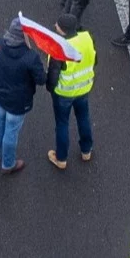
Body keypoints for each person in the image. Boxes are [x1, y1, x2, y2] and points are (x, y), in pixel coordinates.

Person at [0, 19, 47, 174]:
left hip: (0, 96)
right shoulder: (30, 57)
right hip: (19, 103)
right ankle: (8, 163)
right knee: (11, 132)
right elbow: (41, 79)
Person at [45, 15, 97, 171]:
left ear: (63, 29)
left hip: (64, 93)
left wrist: (50, 89)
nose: (55, 25)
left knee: (62, 124)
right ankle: (86, 150)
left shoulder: (59, 47)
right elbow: (95, 59)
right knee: (83, 118)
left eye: (58, 25)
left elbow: (52, 77)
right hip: (84, 88)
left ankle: (61, 158)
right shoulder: (87, 38)